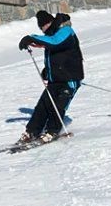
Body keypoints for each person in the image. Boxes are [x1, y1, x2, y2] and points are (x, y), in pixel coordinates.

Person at [16, 9, 84, 146]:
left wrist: (32, 37)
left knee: (58, 106)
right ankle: (32, 131)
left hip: (70, 79)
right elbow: (55, 56)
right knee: (43, 105)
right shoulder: (52, 34)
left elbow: (55, 42)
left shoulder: (66, 30)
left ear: (50, 22)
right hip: (56, 79)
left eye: (44, 26)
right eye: (41, 28)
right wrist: (48, 71)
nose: (43, 30)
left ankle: (52, 131)